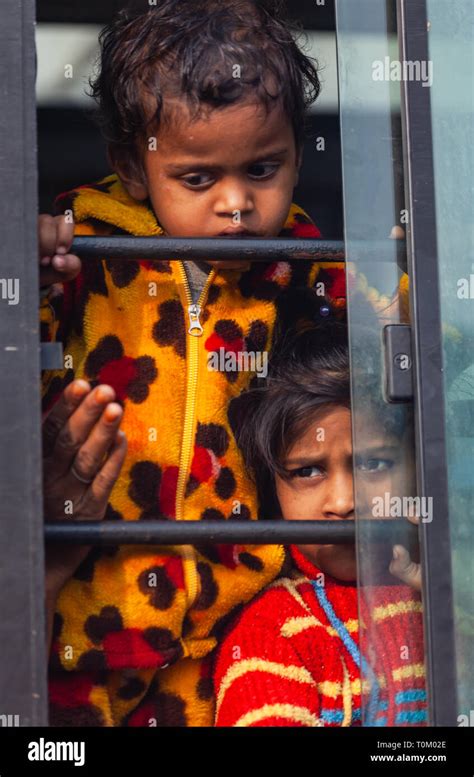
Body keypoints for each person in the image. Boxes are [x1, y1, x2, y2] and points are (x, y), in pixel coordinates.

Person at [37, 0, 348, 726]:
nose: (237, 205)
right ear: (133, 168)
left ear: (300, 155)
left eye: (262, 169)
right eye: (198, 179)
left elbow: (407, 342)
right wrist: (35, 264)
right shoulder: (84, 261)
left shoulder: (308, 275)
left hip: (229, 633)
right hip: (87, 620)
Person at [213, 321, 426, 726]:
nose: (343, 502)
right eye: (308, 471)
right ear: (271, 489)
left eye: (372, 463)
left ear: (419, 468)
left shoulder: (451, 588)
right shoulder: (275, 631)